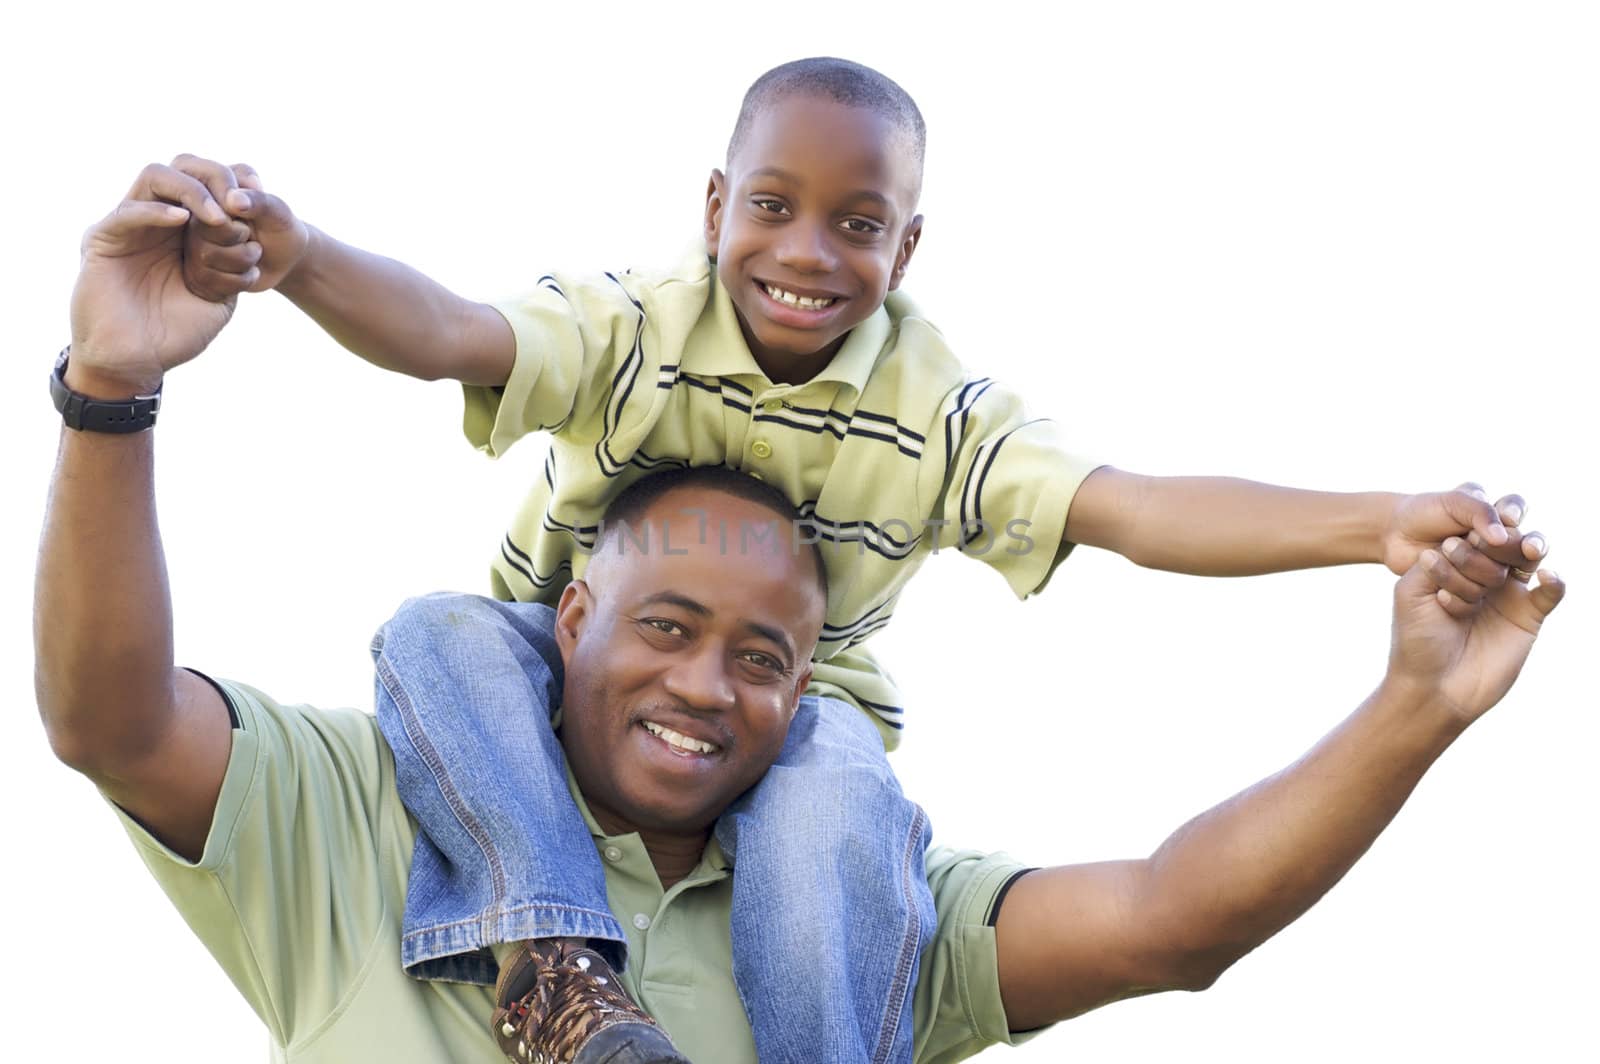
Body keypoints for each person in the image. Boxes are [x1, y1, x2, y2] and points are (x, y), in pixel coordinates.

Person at [164, 57, 1546, 1063]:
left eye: (859, 224)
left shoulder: (935, 410)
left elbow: (1128, 510)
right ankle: (560, 967)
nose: (808, 254)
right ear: (714, 207)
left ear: (909, 240)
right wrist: (299, 260)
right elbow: (456, 333)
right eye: (773, 207)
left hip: (807, 714)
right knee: (436, 630)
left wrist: (1374, 524)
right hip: (542, 676)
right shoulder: (641, 324)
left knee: (839, 805)